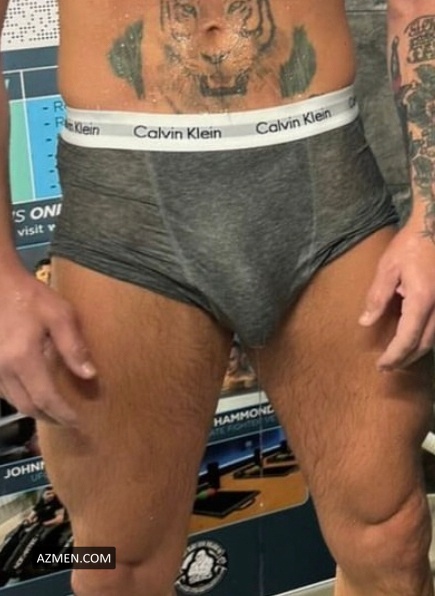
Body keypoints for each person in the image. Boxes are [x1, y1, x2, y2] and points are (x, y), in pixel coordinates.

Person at [0, 1, 434, 595]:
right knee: (113, 563)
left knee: (390, 534)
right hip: (123, 206)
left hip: (325, 179)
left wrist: (430, 221)